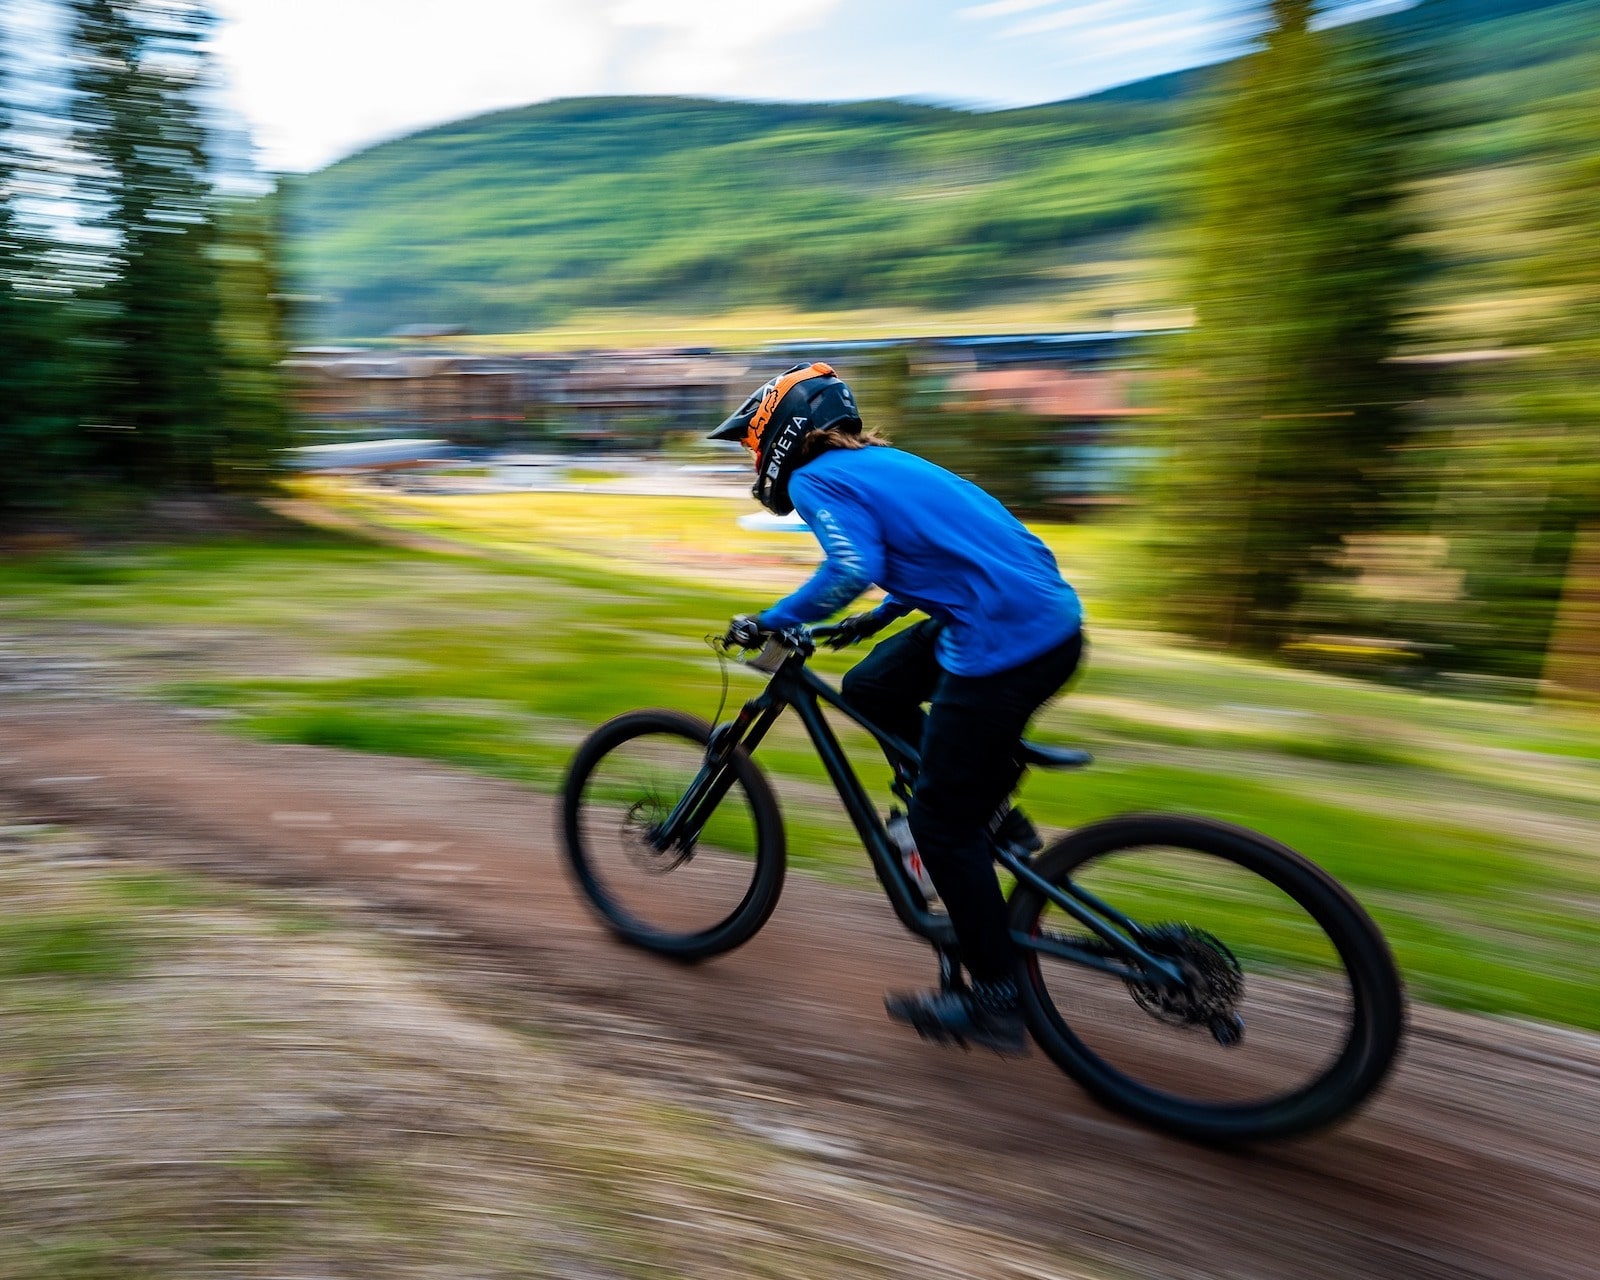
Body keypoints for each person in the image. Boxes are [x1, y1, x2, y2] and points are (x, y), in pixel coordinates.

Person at [711, 362, 1084, 1055]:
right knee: (873, 686)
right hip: (1039, 617)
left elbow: (849, 567)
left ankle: (998, 998)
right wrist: (879, 617)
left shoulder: (814, 478)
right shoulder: (884, 462)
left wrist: (771, 620)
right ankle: (997, 818)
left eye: (751, 446)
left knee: (941, 824)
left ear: (780, 434)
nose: (754, 462)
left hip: (1005, 637)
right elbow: (946, 547)